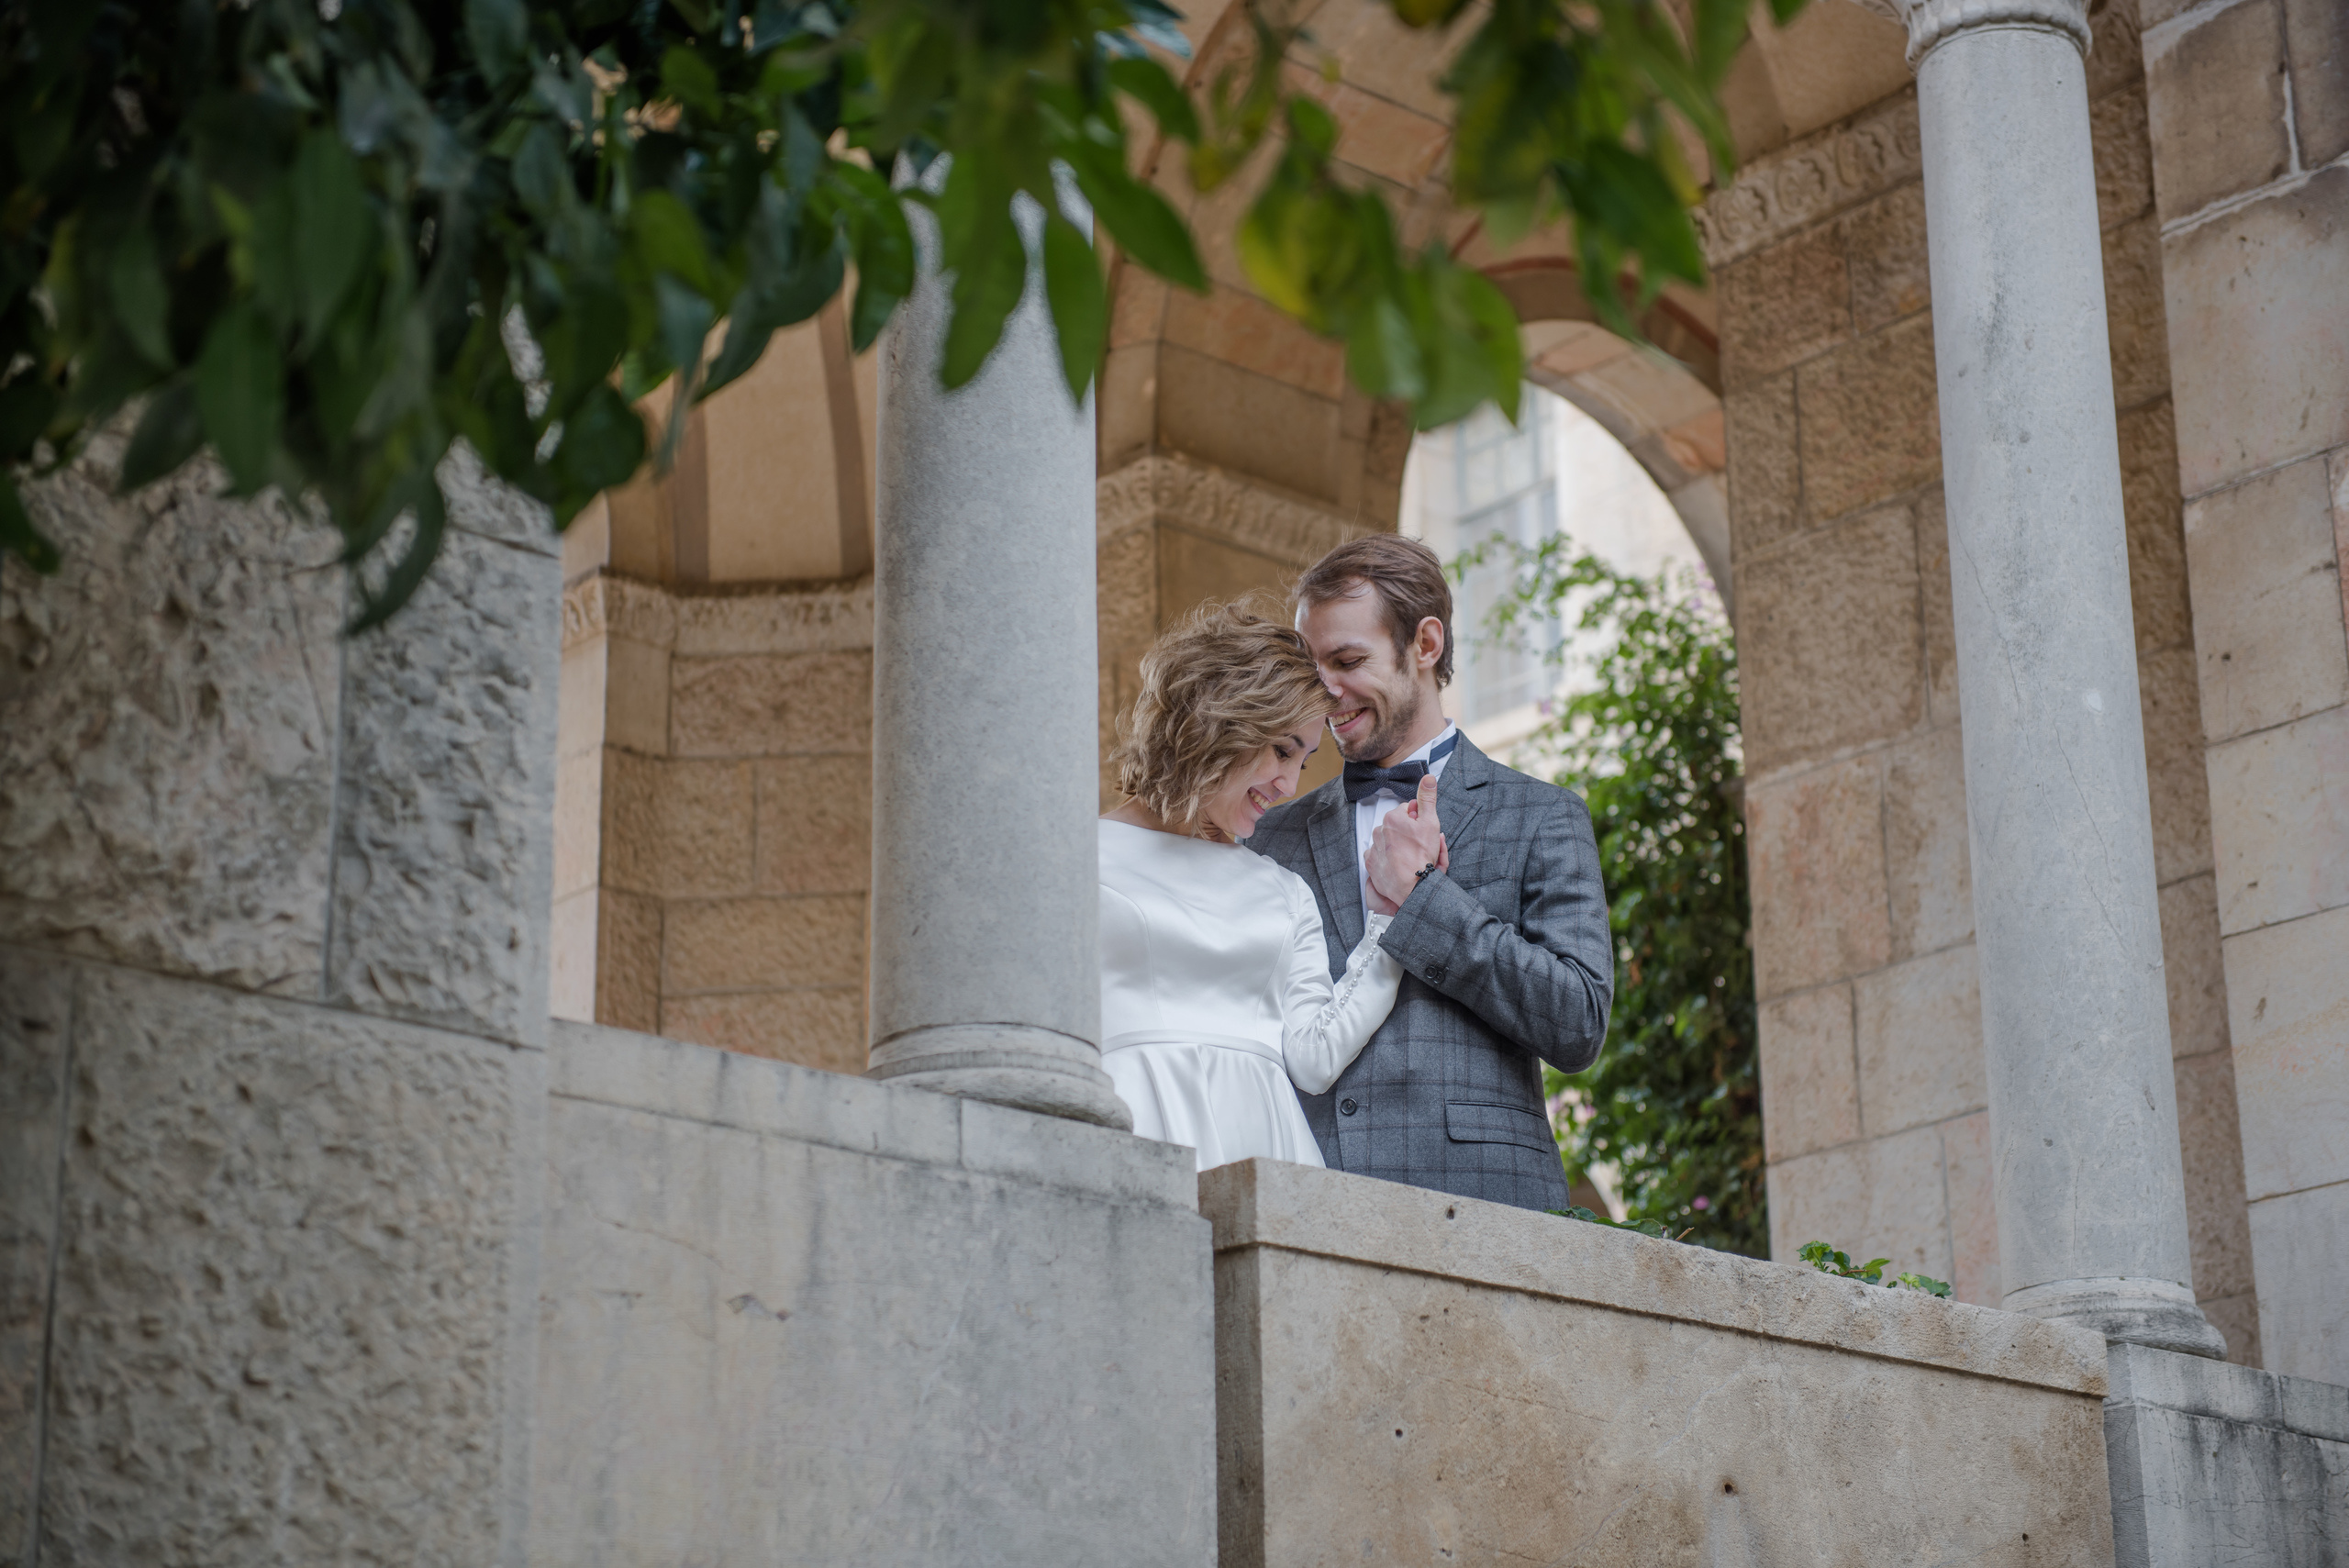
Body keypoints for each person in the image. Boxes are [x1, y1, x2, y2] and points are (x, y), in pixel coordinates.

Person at [1245, 535, 1612, 1211]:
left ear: (1426, 644)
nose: (1326, 689)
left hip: (1485, 1207)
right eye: (1313, 664)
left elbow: (1578, 1022)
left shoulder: (1543, 815)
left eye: (1349, 660)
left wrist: (1424, 901)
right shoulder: (1268, 835)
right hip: (1310, 1200)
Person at [1097, 603, 1408, 1171]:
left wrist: (1389, 916)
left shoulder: (1284, 891)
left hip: (1270, 1148)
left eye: (1306, 761)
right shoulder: (1077, 860)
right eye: (1282, 750)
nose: (1289, 785)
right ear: (1218, 724)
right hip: (1131, 1130)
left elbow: (1313, 1059)